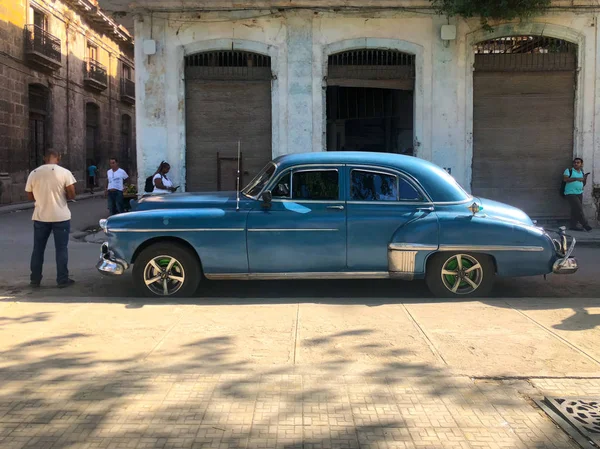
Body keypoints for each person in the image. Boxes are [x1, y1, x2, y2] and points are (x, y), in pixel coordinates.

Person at [25, 149, 77, 288]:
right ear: (58, 158)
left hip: (40, 216)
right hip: (61, 216)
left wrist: (41, 197)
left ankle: (35, 279)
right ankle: (62, 279)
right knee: (61, 249)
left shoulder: (34, 173)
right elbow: (72, 194)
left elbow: (30, 195)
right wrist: (62, 196)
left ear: (44, 158)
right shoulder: (64, 172)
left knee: (38, 249)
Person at [563, 157, 592, 232]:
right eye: (575, 162)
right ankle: (585, 225)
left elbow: (583, 183)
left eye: (578, 162)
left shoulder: (581, 172)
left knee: (574, 210)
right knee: (579, 209)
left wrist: (585, 178)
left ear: (581, 164)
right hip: (570, 193)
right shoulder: (569, 170)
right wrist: (576, 178)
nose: (576, 164)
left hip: (579, 193)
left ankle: (573, 225)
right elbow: (565, 179)